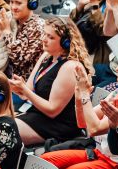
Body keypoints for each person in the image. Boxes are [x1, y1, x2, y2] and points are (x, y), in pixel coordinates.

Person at [10, 17, 89, 146]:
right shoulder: (46, 56)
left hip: (58, 125)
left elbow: (52, 110)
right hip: (38, 115)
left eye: (50, 37)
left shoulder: (70, 67)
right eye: (44, 34)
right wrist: (15, 87)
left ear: (65, 42)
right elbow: (28, 91)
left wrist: (24, 90)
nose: (44, 39)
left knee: (4, 129)